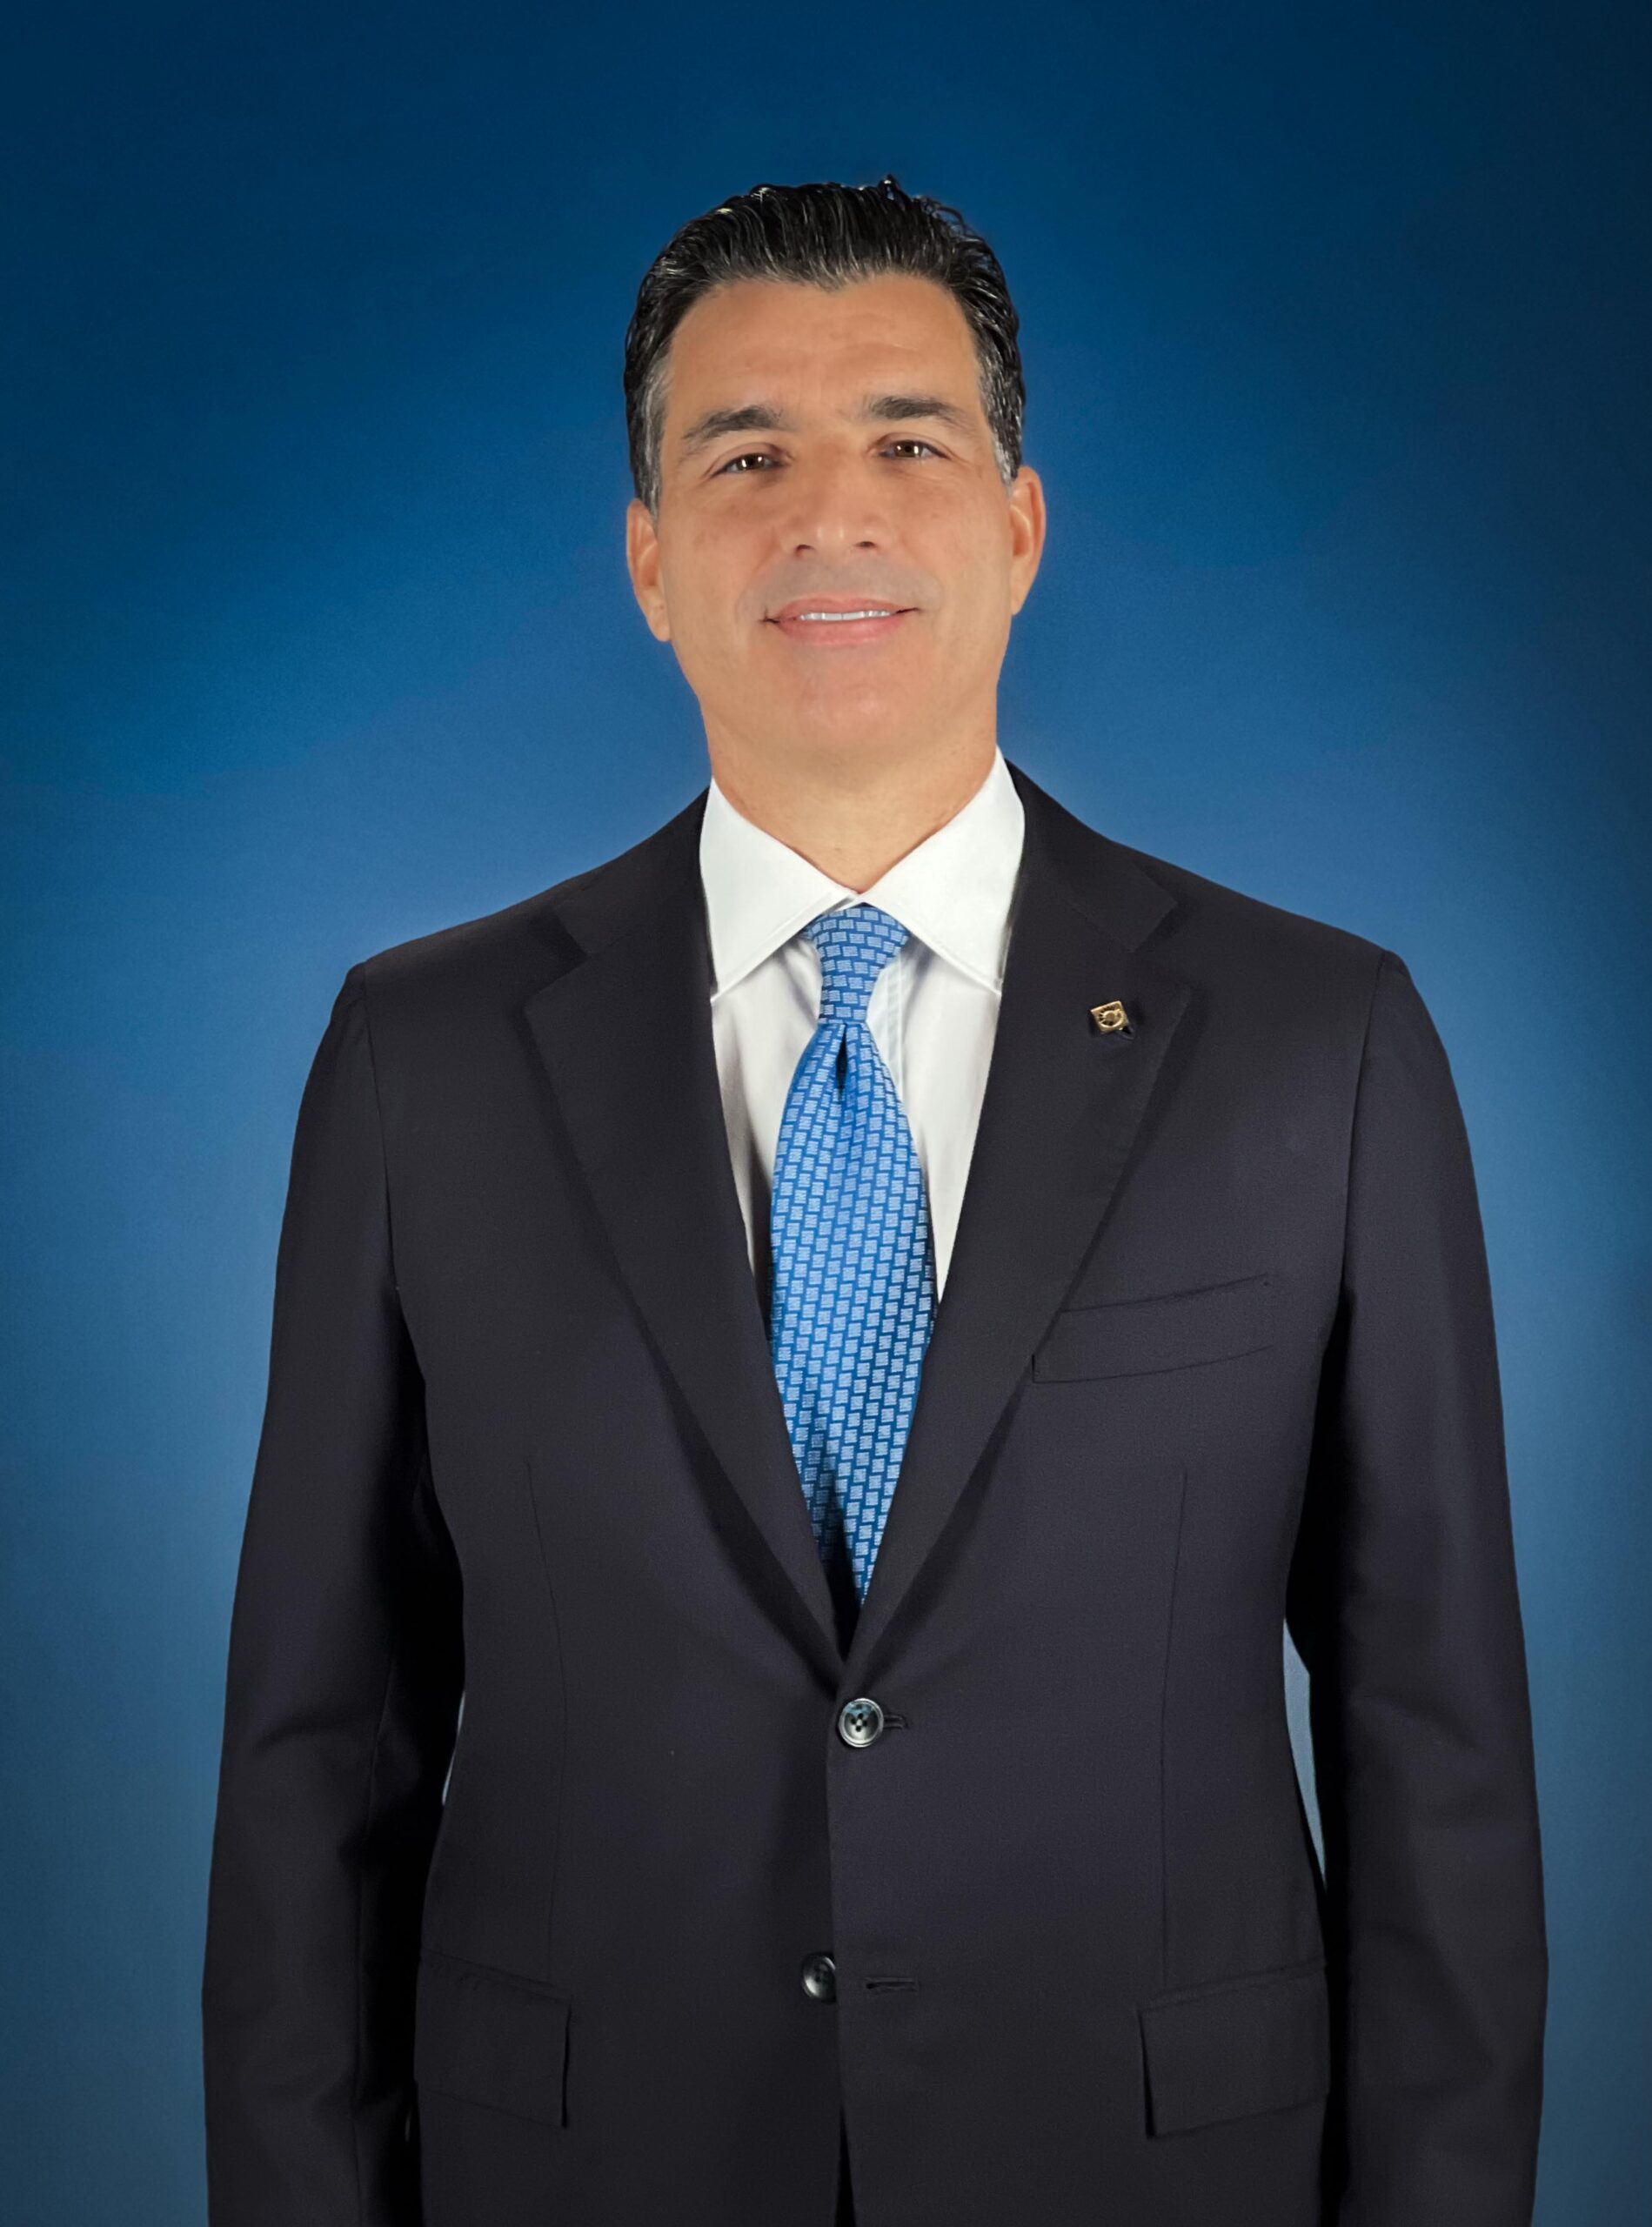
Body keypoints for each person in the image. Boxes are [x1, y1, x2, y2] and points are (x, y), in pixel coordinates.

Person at [201, 175, 1547, 2227]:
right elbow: (319, 1751)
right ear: (648, 560)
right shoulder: (421, 1059)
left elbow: (1431, 1742)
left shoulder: (1318, 1041)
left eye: (906, 443)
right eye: (743, 455)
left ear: (1017, 528)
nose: (827, 514)